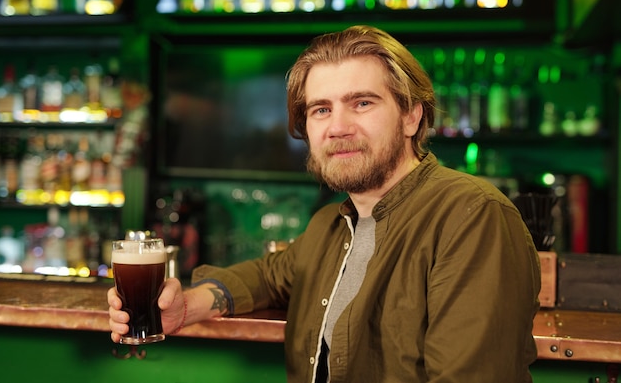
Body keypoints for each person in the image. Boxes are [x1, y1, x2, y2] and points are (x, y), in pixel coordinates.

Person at [108, 25, 541, 383]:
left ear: (412, 115)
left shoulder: (471, 216)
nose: (338, 127)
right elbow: (272, 275)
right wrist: (192, 303)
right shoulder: (332, 226)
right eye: (320, 110)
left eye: (362, 103)